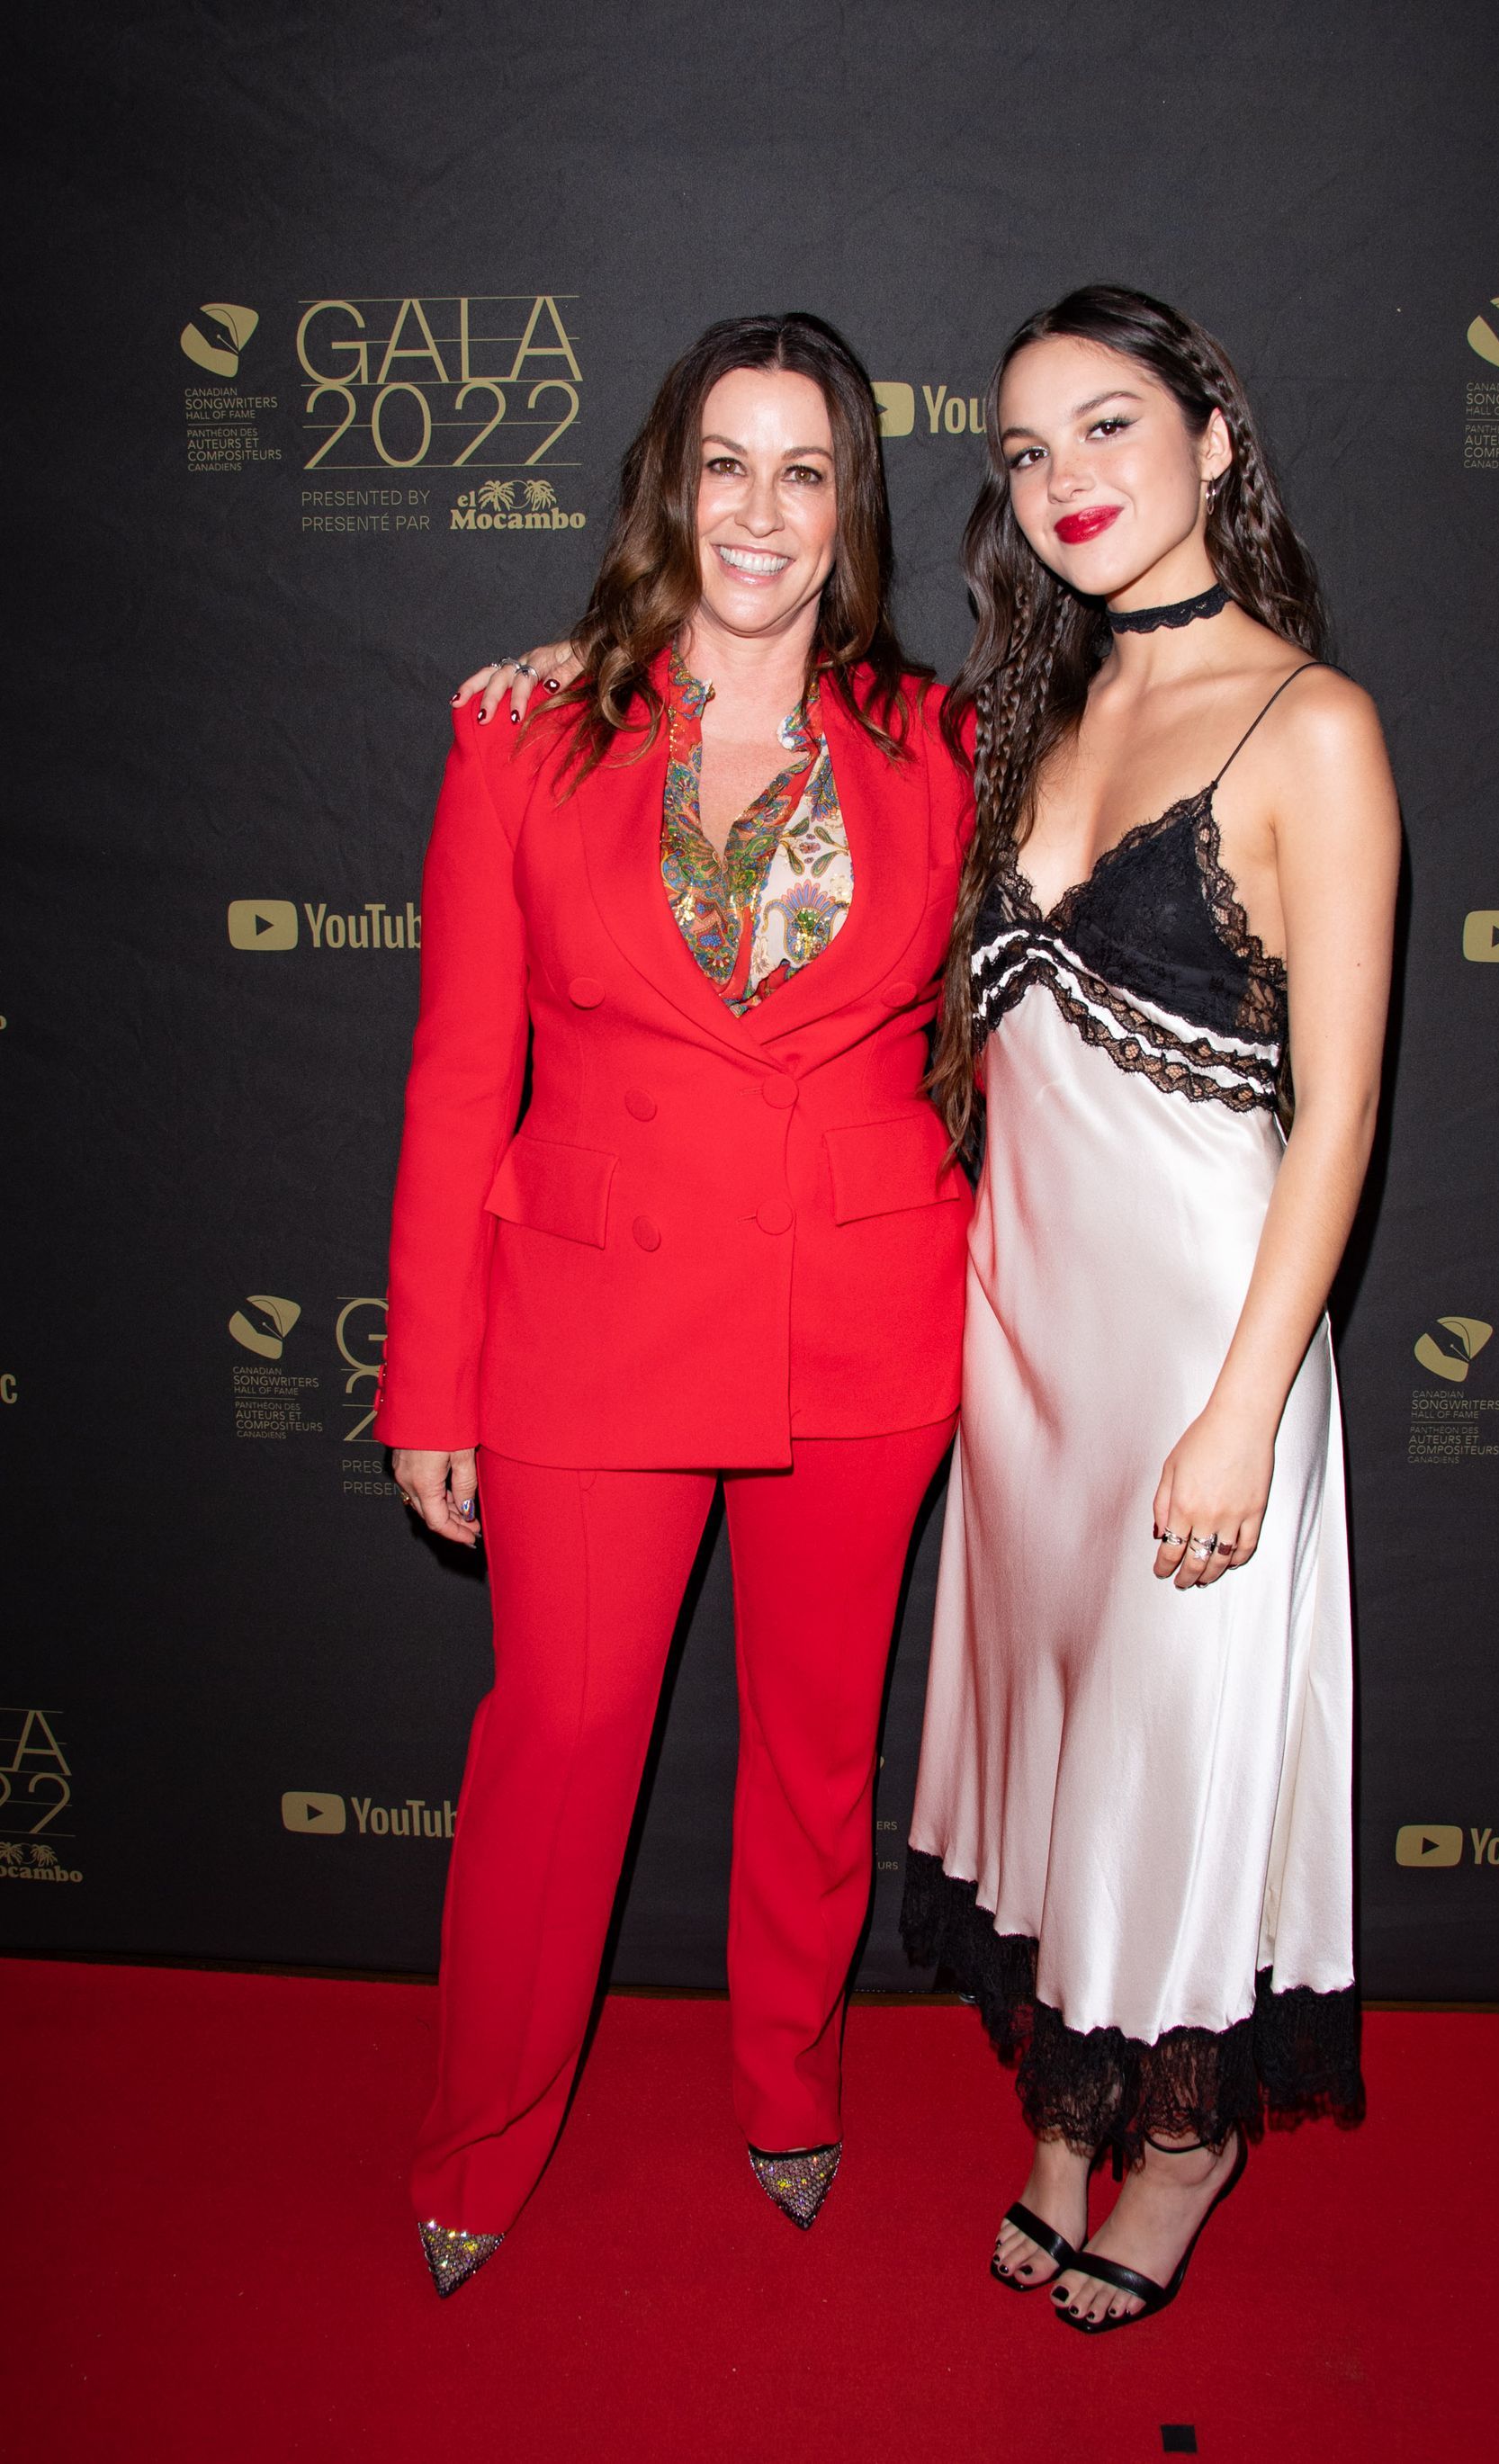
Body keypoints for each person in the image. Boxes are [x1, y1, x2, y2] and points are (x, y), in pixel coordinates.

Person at [378, 312, 973, 2297]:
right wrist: (428, 1384)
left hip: (861, 1325)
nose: (760, 510)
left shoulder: (946, 744)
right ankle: (480, 2127)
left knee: (817, 1749)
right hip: (587, 1324)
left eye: (805, 471)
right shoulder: (522, 732)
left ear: (849, 507)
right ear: (667, 480)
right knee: (555, 1737)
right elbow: (463, 1069)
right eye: (726, 461)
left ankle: (788, 2086)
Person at [901, 286, 1398, 2334]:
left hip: (1207, 1348)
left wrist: (1238, 1408)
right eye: (1026, 453)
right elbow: (769, 708)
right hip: (1023, 1357)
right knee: (1048, 1754)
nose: (1067, 482)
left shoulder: (1317, 726)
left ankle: (1174, 2136)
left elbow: (1344, 1105)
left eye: (1108, 427)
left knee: (1169, 1762)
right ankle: (1058, 2093)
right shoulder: (1033, 705)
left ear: (1212, 436)